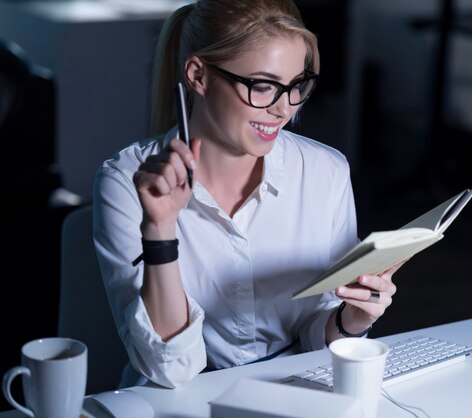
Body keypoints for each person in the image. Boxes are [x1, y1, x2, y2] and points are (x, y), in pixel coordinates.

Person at [93, 0, 406, 389]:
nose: (284, 109)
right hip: (179, 399)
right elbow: (170, 369)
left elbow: (314, 335)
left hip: (293, 390)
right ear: (198, 75)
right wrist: (160, 228)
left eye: (296, 87)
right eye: (263, 86)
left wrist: (351, 320)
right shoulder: (126, 181)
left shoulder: (326, 172)